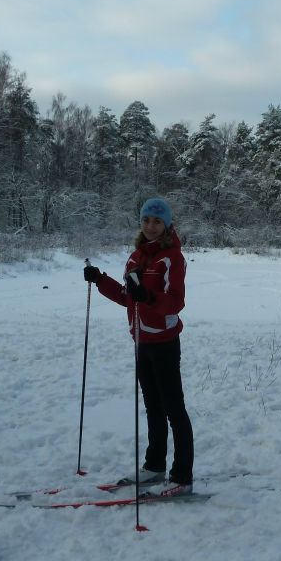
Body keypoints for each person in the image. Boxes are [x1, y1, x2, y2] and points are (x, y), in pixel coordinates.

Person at [83, 197, 194, 495]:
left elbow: (176, 302)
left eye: (157, 221)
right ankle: (155, 467)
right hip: (141, 341)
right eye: (146, 220)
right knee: (153, 407)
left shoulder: (171, 258)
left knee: (174, 409)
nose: (151, 226)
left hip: (165, 342)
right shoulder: (135, 258)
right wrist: (100, 280)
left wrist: (148, 296)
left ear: (167, 225)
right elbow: (127, 297)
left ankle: (182, 476)